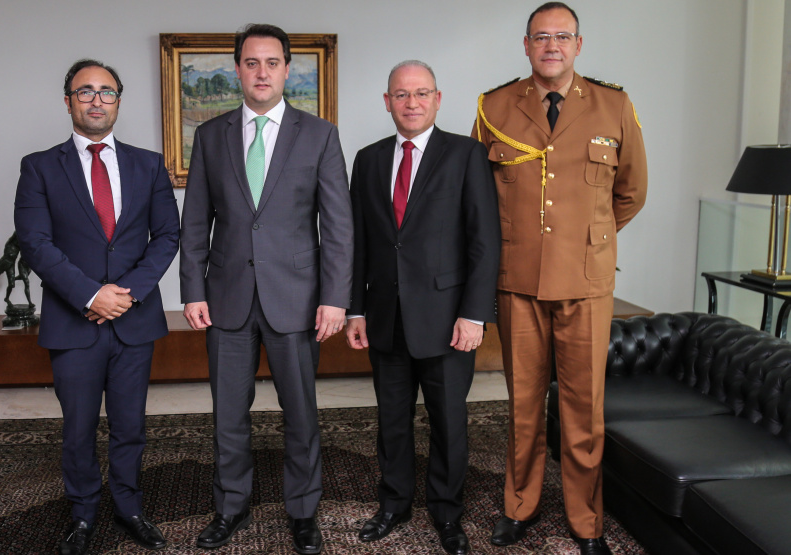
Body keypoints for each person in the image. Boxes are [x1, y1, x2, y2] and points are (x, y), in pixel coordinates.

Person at [472, 3, 648, 554]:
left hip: (587, 284)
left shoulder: (614, 105)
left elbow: (632, 191)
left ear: (579, 44)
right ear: (526, 45)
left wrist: (584, 241)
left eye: (562, 36)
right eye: (541, 36)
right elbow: (475, 197)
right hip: (517, 280)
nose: (552, 45)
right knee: (523, 406)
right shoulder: (494, 105)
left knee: (582, 408)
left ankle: (585, 520)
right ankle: (519, 507)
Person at [178, 23, 353, 555]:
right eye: (251, 63)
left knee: (300, 414)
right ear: (237, 69)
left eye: (271, 62)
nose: (261, 72)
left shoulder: (319, 134)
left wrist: (335, 297)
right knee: (228, 415)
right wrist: (192, 289)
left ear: (286, 68)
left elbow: (338, 225)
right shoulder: (210, 136)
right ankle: (231, 506)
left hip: (298, 301)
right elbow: (195, 223)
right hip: (226, 297)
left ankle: (303, 513)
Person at [14, 59, 180, 555]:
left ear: (118, 102)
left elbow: (167, 236)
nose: (96, 100)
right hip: (73, 322)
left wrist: (121, 295)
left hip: (134, 320)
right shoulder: (40, 166)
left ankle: (129, 508)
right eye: (84, 91)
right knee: (78, 428)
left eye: (106, 92)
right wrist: (90, 295)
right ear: (67, 101)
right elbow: (36, 242)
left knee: (131, 427)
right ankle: (83, 515)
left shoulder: (148, 164)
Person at [346, 60, 501, 555]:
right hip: (385, 316)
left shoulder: (466, 154)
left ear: (437, 99)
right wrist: (354, 310)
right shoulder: (368, 160)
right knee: (391, 420)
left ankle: (447, 513)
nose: (411, 103)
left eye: (421, 93)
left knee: (448, 421)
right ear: (387, 102)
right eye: (400, 94)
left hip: (449, 318)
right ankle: (393, 504)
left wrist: (475, 314)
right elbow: (358, 244)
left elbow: (485, 240)